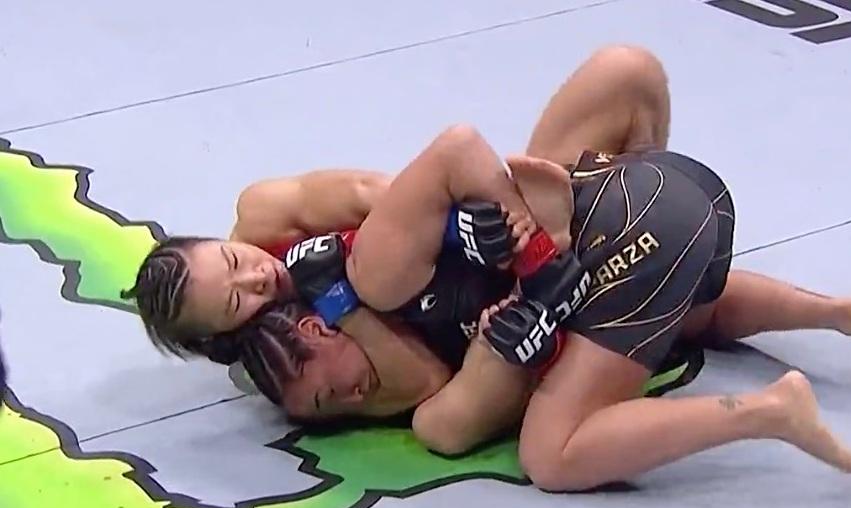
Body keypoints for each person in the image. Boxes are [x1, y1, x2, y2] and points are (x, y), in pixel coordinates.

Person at [234, 136, 851, 490]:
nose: (351, 398)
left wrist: (530, 260)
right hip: (655, 195)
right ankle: (845, 312)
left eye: (328, 388)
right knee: (678, 322)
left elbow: (464, 161)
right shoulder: (407, 349)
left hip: (626, 221)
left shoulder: (373, 278)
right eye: (329, 411)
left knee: (553, 454)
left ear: (316, 325)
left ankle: (768, 412)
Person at [120, 45, 671, 365]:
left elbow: (370, 192)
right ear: (220, 340)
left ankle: (636, 214)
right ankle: (563, 259)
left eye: (234, 261)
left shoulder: (264, 215)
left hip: (494, 244)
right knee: (374, 279)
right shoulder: (282, 358)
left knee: (627, 70)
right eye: (235, 302)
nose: (257, 279)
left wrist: (464, 222)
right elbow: (413, 385)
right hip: (490, 326)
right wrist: (340, 306)